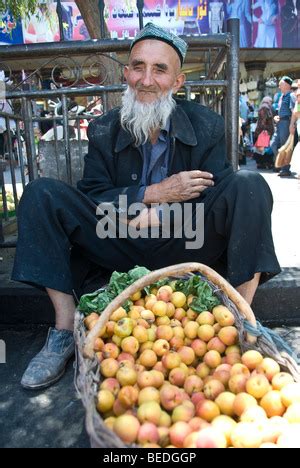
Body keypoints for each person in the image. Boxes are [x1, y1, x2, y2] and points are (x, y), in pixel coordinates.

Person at [12, 24, 281, 390]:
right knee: (41, 193)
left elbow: (214, 200)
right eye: (138, 67)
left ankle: (243, 320)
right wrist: (152, 194)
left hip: (185, 238)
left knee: (249, 185)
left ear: (178, 81)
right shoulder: (105, 128)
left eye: (160, 69)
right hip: (117, 236)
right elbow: (94, 197)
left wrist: (163, 215)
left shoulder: (206, 126)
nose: (146, 79)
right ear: (126, 74)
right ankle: (63, 328)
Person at [271, 76, 296, 177]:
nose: (279, 86)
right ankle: (281, 164)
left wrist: (292, 124)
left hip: (287, 123)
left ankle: (285, 168)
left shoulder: (291, 96)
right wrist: (277, 117)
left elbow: (294, 111)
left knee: (285, 146)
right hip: (281, 123)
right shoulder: (282, 96)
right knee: (273, 144)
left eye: (281, 84)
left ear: (287, 85)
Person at [289, 88, 300, 177]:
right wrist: (292, 124)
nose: (298, 98)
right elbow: (294, 114)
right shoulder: (297, 103)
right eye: (297, 96)